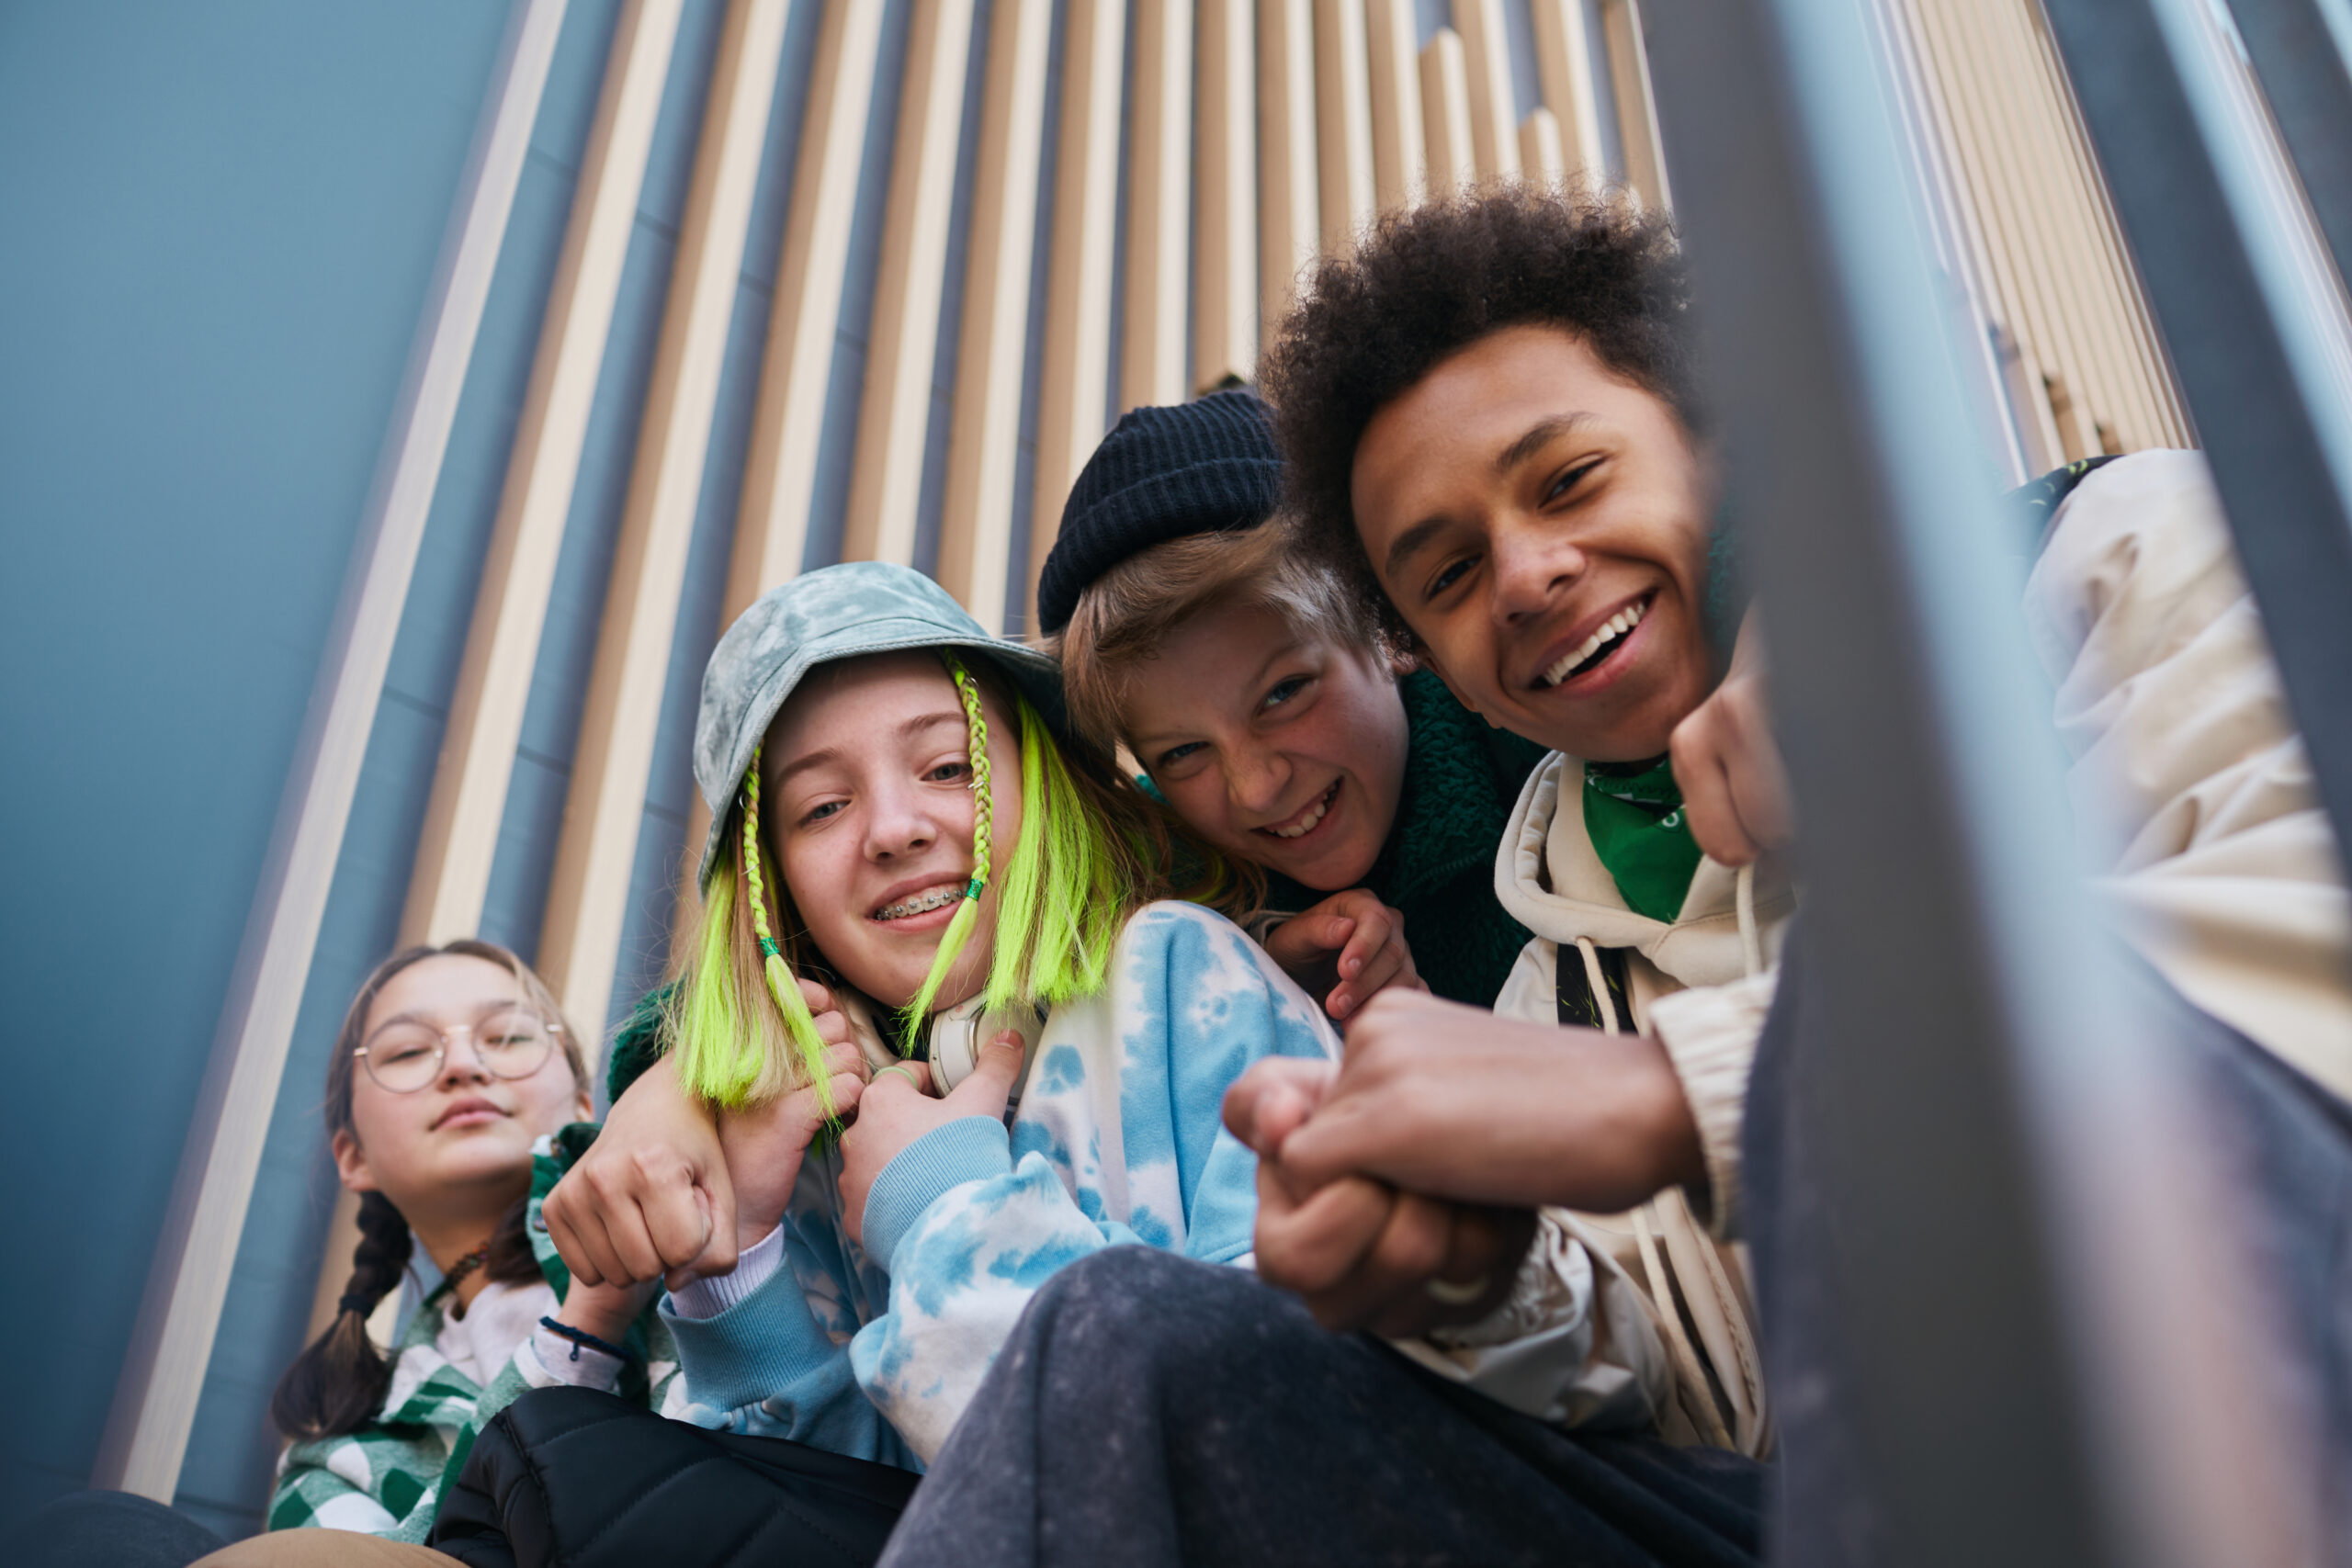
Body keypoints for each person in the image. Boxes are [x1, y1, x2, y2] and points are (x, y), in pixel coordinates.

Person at [532, 561, 1400, 1480]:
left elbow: (1296, 1430)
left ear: (1042, 781)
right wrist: (739, 1269)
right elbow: (865, 1521)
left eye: (949, 766)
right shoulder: (806, 1139)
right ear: (774, 888)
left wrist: (945, 1208)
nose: (895, 829)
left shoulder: (1178, 976)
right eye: (822, 807)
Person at [15, 942, 672, 1568]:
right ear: (352, 1156)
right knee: (94, 1538)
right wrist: (588, 1324)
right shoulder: (335, 1456)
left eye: (508, 1036)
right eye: (410, 1050)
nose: (463, 1064)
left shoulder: (696, 1217)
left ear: (585, 1099)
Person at [1039, 387, 1550, 1018]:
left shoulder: (1544, 737)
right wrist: (1251, 980)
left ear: (1387, 625)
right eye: (1183, 752)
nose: (1256, 788)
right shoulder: (1152, 879)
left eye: (1282, 694)